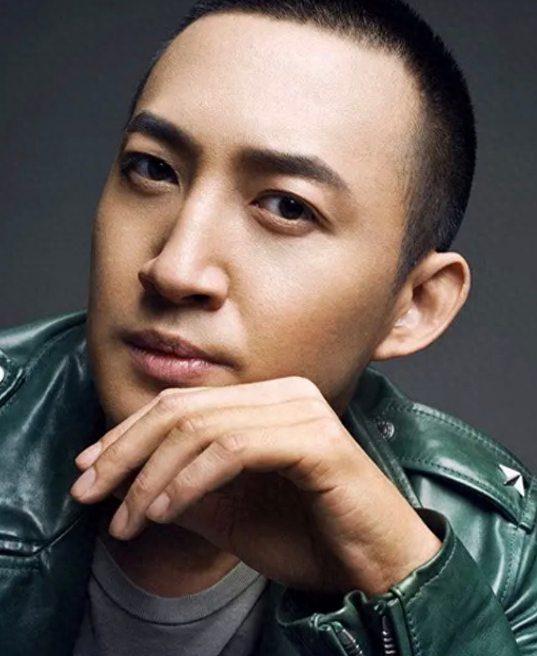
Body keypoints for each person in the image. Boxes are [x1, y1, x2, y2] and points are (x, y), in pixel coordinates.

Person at [1, 0, 536, 654]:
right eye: (153, 168)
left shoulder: (501, 552)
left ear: (414, 304)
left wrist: (402, 586)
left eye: (287, 207)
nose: (175, 269)